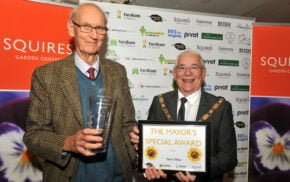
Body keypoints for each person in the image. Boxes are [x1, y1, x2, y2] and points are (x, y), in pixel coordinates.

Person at [23, 3, 136, 182]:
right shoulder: (46, 75)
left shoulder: (118, 72)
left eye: (100, 28)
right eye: (86, 27)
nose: (94, 35)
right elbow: (33, 135)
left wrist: (140, 152)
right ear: (71, 28)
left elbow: (127, 124)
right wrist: (69, 143)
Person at [130, 50, 237, 182]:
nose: (187, 73)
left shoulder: (221, 107)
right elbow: (153, 151)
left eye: (194, 67)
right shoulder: (159, 102)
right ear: (175, 74)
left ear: (203, 73)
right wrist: (142, 148)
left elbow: (229, 158)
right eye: (182, 67)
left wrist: (198, 170)